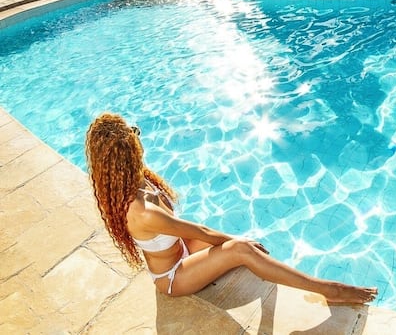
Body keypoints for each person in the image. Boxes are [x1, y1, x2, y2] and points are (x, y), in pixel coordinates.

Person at [85, 113, 378, 303]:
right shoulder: (141, 209)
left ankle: (261, 263)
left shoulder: (130, 179)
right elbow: (200, 230)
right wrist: (240, 246)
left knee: (243, 248)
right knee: (242, 250)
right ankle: (329, 290)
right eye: (134, 136)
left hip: (181, 248)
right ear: (127, 154)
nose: (139, 137)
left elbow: (195, 232)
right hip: (173, 276)